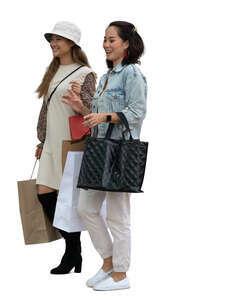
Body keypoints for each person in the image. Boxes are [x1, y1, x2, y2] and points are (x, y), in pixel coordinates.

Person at [62, 21, 147, 290]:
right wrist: (81, 106)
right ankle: (108, 262)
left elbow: (137, 112)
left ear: (126, 44)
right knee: (86, 207)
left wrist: (105, 116)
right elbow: (96, 117)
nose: (106, 44)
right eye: (104, 39)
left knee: (118, 216)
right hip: (99, 150)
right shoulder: (107, 76)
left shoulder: (132, 74)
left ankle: (121, 274)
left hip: (120, 152)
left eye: (112, 40)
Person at [35, 21, 96, 274]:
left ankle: (72, 255)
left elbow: (93, 112)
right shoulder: (54, 70)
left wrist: (79, 101)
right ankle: (74, 252)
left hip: (71, 144)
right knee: (44, 195)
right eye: (51, 39)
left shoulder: (85, 73)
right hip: (51, 143)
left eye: (58, 39)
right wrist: (41, 140)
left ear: (72, 43)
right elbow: (46, 109)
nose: (53, 43)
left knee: (67, 200)